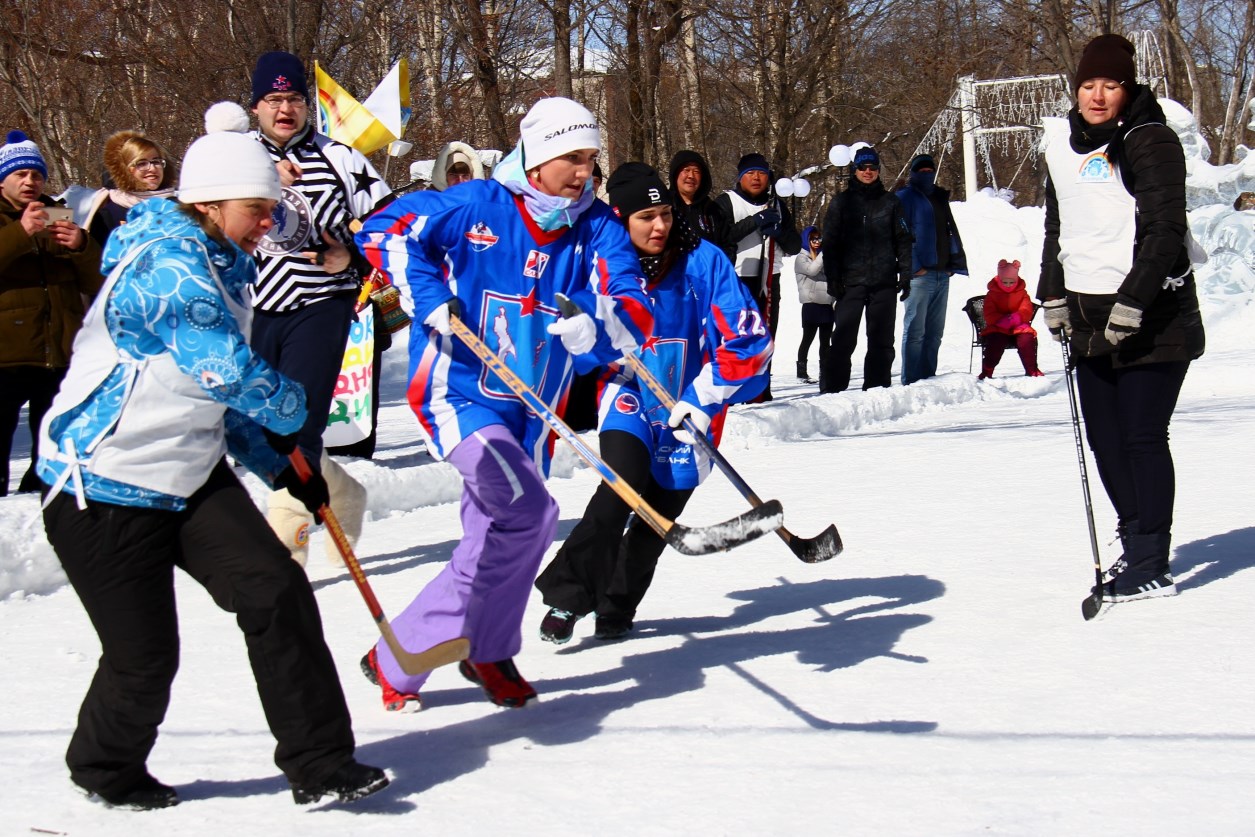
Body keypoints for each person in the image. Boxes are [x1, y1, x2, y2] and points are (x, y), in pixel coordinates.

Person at [35, 103, 388, 810]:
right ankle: (104, 765)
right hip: (100, 486)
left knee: (277, 593)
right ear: (210, 201)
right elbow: (224, 369)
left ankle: (321, 763)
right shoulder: (168, 261)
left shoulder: (224, 265)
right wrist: (294, 413)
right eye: (258, 209)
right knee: (144, 658)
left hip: (190, 477)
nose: (267, 223)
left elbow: (222, 406)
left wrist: (285, 462)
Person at [355, 97, 653, 712]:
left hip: (531, 409)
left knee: (492, 535)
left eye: (591, 159)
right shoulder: (479, 204)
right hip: (459, 393)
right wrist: (428, 294)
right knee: (528, 512)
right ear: (538, 156)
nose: (583, 172)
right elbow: (382, 231)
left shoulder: (595, 226)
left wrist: (597, 328)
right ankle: (473, 647)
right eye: (571, 157)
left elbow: (630, 303)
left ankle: (415, 656)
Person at [534, 162, 771, 644]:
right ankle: (568, 595)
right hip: (627, 393)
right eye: (645, 217)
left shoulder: (702, 260)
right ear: (620, 220)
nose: (659, 226)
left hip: (693, 404)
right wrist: (589, 338)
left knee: (656, 517)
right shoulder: (597, 262)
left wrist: (704, 398)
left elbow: (750, 339)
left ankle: (617, 605)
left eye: (664, 213)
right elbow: (568, 337)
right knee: (623, 486)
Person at [1038, 33, 1204, 602]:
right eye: (1088, 85)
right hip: (1087, 312)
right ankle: (1134, 541)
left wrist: (1134, 300)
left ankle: (1152, 558)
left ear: (1127, 88)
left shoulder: (1149, 139)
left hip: (1154, 313)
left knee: (1140, 435)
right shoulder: (1063, 145)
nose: (1098, 96)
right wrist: (1051, 293)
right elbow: (1057, 227)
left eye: (1110, 85)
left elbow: (1165, 230)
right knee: (1104, 439)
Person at [248, 51, 394, 566]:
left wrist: (348, 256)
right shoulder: (236, 156)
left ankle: (284, 551)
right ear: (256, 106)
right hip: (252, 306)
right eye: (273, 99)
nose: (284, 109)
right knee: (259, 429)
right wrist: (265, 183)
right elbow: (201, 216)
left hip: (321, 303)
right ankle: (341, 488)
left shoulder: (341, 158)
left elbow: (390, 225)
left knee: (298, 420)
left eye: (293, 99)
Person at [0, 130, 103, 496]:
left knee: (54, 440)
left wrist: (80, 245)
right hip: (7, 353)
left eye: (36, 174)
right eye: (20, 174)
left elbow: (95, 280)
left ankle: (40, 499)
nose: (30, 181)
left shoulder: (58, 211)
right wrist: (20, 232)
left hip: (59, 349)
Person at [820, 146, 913, 393]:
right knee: (842, 338)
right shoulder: (841, 203)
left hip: (883, 280)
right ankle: (833, 390)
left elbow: (903, 239)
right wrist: (833, 277)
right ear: (855, 170)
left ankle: (877, 389)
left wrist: (905, 274)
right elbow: (830, 243)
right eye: (863, 167)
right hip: (850, 282)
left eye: (872, 167)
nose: (868, 172)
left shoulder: (891, 202)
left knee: (882, 340)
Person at [714, 152, 801, 400]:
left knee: (765, 335)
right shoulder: (726, 202)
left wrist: (780, 231)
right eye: (750, 173)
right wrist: (754, 221)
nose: (756, 178)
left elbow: (794, 245)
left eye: (761, 173)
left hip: (768, 278)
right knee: (738, 335)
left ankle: (762, 389)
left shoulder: (777, 205)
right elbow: (722, 237)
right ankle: (735, 389)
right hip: (737, 278)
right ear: (740, 177)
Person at [896, 152, 968, 384]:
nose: (927, 174)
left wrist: (952, 265)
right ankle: (911, 380)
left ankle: (928, 379)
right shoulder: (905, 197)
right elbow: (900, 234)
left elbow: (950, 232)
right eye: (922, 171)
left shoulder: (939, 197)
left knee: (935, 333)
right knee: (915, 331)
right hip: (920, 276)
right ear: (913, 173)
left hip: (941, 273)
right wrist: (915, 267)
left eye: (930, 171)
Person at [83, 130, 178, 247]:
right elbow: (97, 259)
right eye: (141, 163)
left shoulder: (178, 206)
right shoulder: (110, 213)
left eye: (156, 161)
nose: (152, 168)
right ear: (124, 170)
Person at [978, 259, 1043, 379]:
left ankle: (1031, 369)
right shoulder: (992, 294)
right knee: (995, 342)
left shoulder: (1022, 293)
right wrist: (1001, 320)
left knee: (1027, 339)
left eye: (1011, 282)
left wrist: (1017, 317)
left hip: (1019, 326)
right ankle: (988, 369)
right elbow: (989, 313)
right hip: (998, 327)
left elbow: (1026, 309)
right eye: (1005, 282)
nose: (1008, 285)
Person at [793, 224, 834, 384]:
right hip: (811, 304)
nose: (817, 241)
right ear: (807, 240)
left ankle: (825, 371)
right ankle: (801, 373)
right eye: (813, 239)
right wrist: (823, 255)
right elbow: (812, 271)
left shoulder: (823, 257)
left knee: (825, 341)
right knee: (807, 339)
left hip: (826, 304)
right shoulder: (801, 258)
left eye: (819, 238)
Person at [667, 149, 724, 247]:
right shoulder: (665, 206)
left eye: (696, 171)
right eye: (686, 170)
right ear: (676, 173)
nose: (691, 176)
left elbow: (727, 242)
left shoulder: (712, 209)